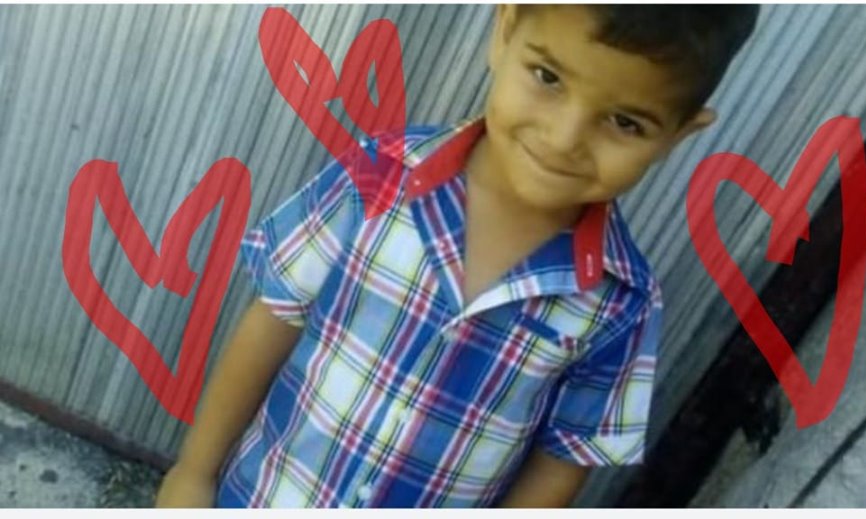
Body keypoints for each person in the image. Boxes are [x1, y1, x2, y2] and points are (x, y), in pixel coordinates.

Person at [155, 4, 759, 508]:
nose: (564, 138)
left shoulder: (620, 304)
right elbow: (274, 318)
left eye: (625, 122)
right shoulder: (379, 178)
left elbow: (561, 463)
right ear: (505, 31)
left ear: (679, 135)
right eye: (548, 77)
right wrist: (194, 472)